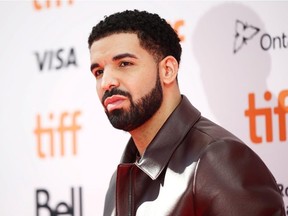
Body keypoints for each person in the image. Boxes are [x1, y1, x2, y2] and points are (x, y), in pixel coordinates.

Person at [88, 9, 285, 216]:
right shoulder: (121, 177)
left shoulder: (218, 159)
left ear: (167, 70)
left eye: (124, 64)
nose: (107, 82)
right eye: (99, 71)